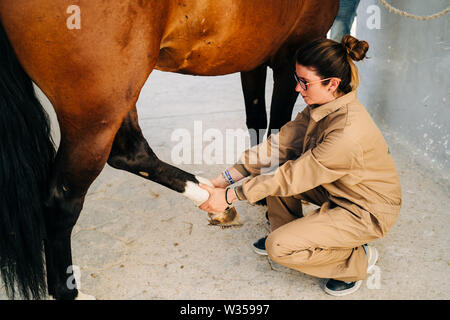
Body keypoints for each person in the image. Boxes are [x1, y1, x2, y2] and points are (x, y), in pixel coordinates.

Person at [198, 34, 402, 297]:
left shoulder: (347, 132)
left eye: (305, 83)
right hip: (340, 189)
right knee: (273, 168)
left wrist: (229, 196)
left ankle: (355, 261)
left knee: (278, 247)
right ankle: (289, 233)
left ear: (332, 84)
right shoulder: (322, 106)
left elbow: (292, 178)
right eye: (297, 79)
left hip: (366, 209)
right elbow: (278, 146)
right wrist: (225, 178)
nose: (297, 89)